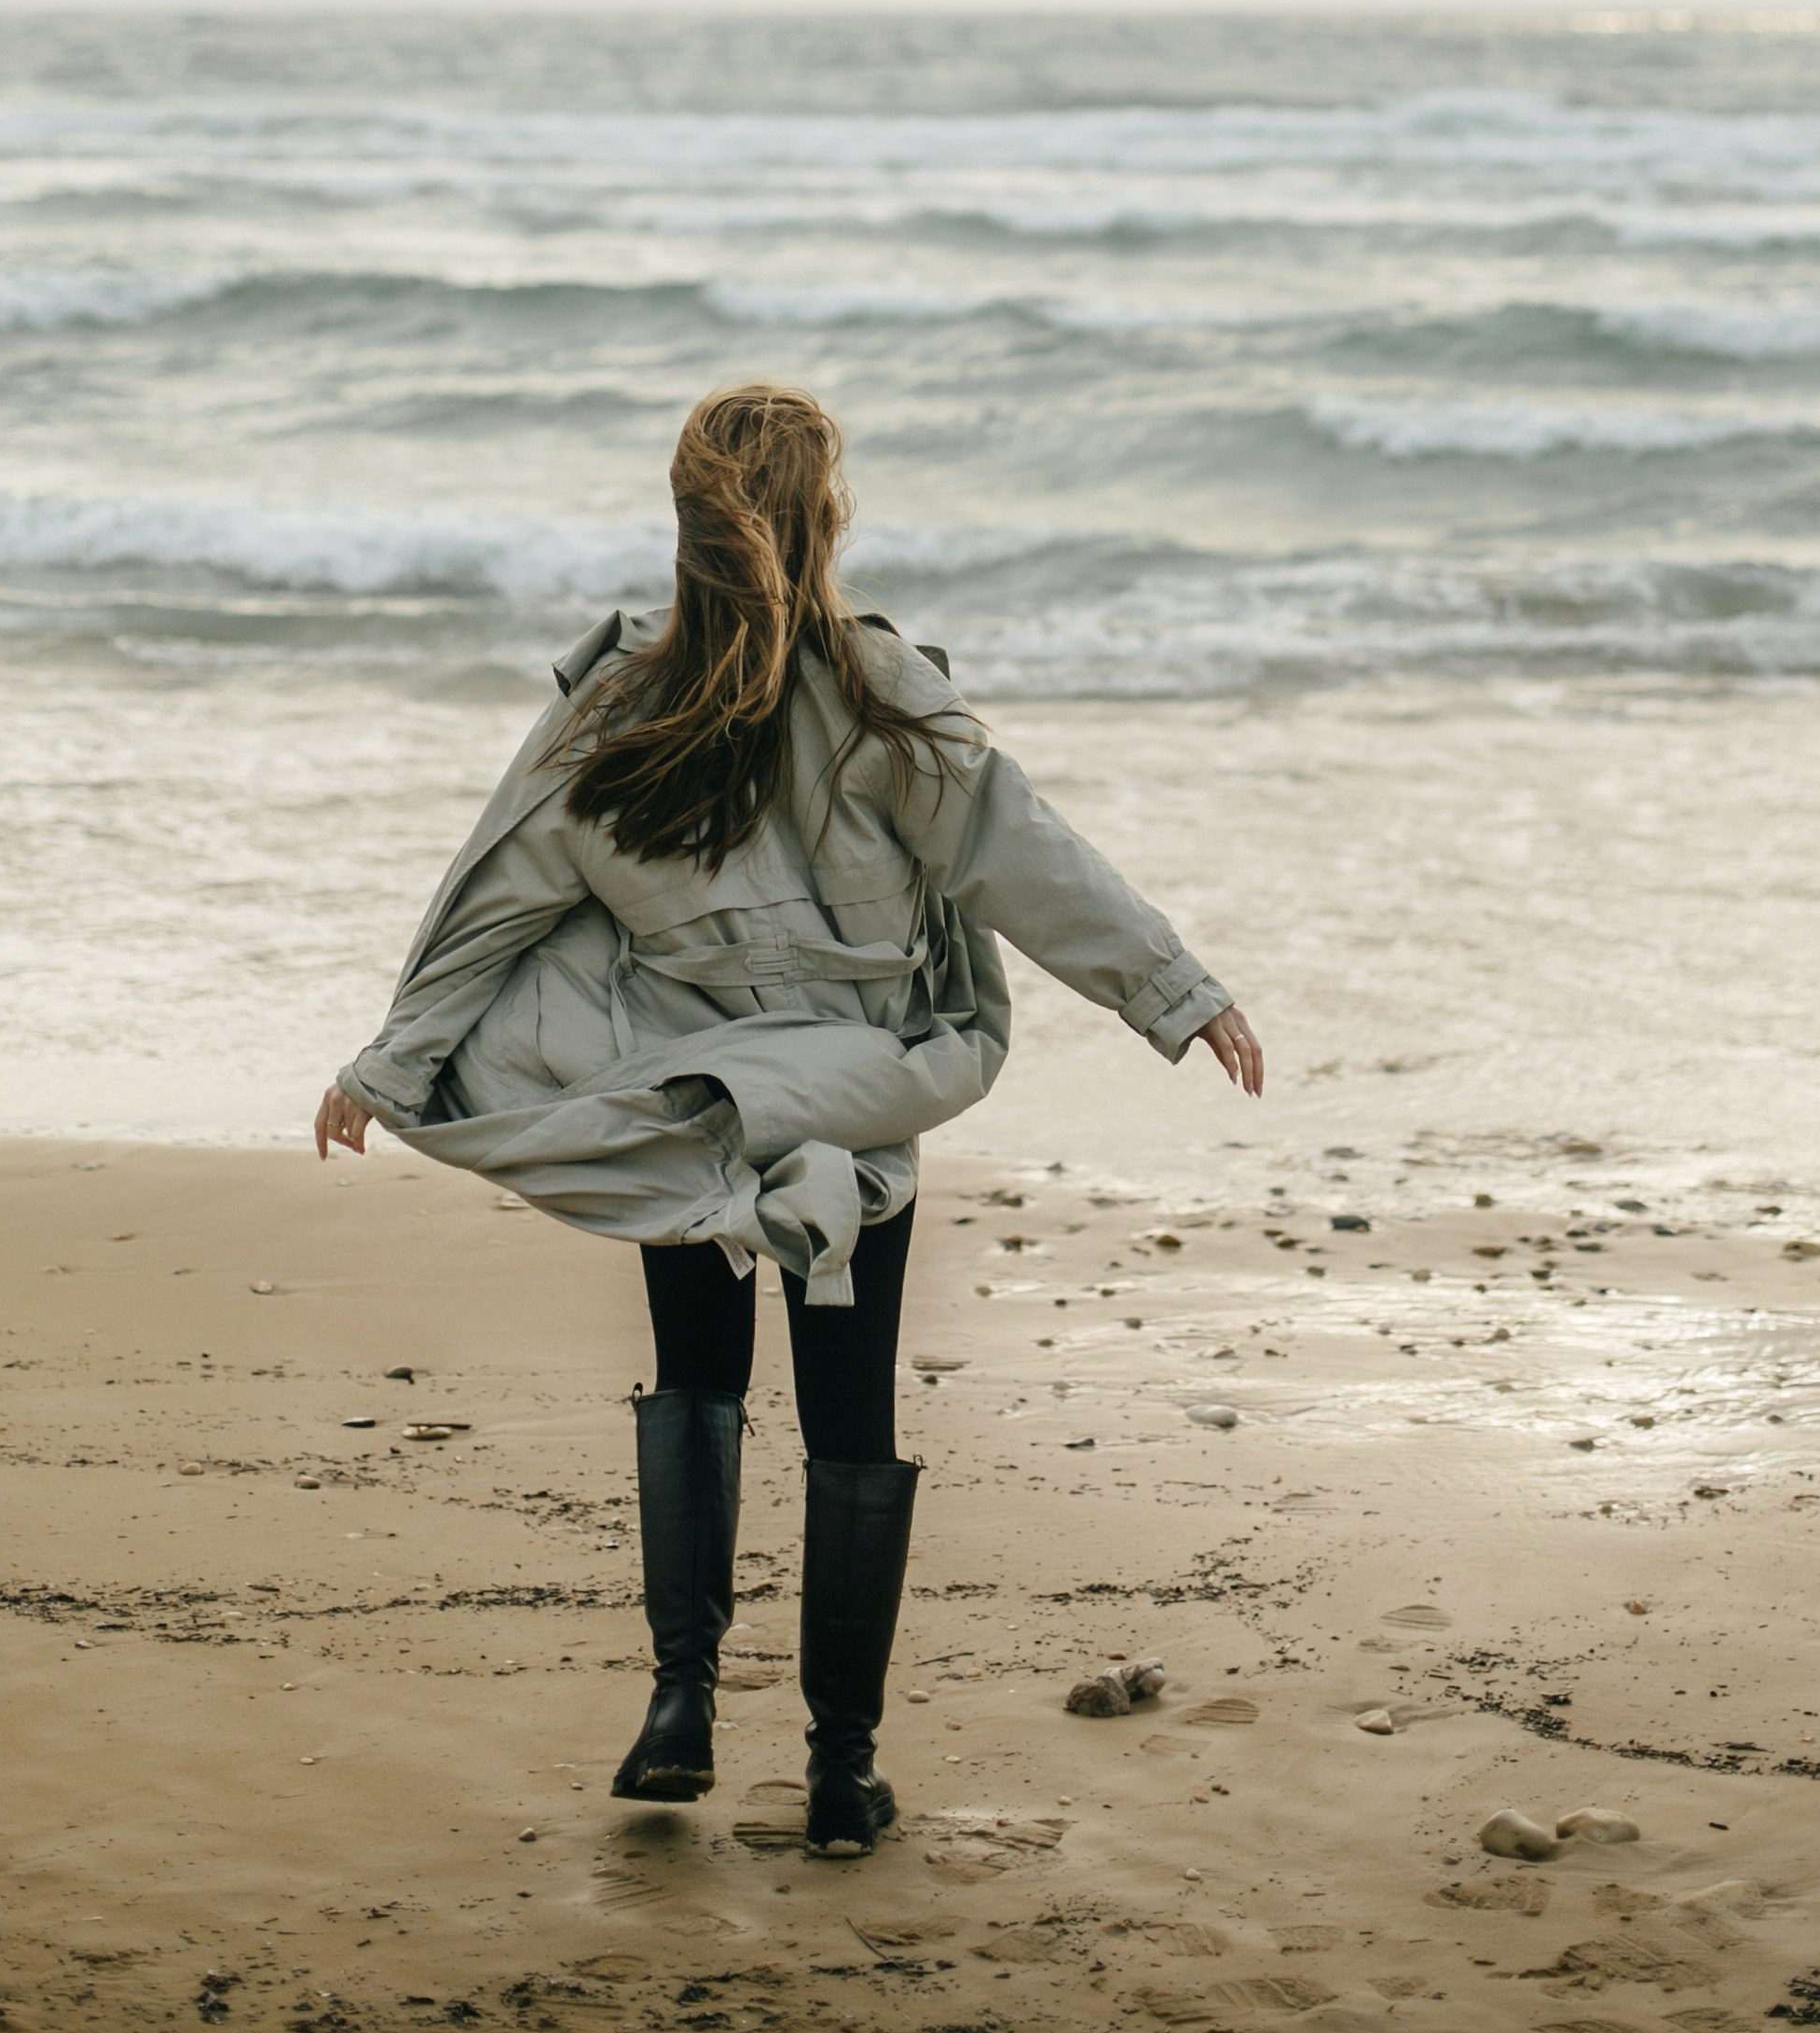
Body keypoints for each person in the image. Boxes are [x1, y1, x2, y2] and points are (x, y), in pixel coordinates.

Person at [315, 381, 1262, 1857]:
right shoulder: (881, 695)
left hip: (688, 1099)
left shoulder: (612, 713)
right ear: (824, 518)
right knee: (847, 1406)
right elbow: (1022, 854)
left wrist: (390, 1065)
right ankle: (839, 1769)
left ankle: (679, 1707)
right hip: (854, 1099)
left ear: (687, 527)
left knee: (696, 1374)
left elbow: (494, 902)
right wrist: (1175, 992)